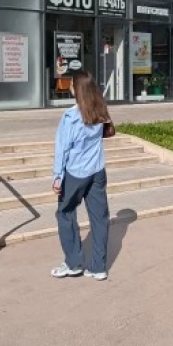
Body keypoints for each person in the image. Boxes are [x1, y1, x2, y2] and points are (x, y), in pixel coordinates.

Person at [51, 70, 114, 280]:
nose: (69, 86)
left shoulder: (70, 117)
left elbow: (62, 149)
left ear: (76, 89)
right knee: (100, 218)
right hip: (97, 171)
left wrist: (57, 176)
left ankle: (73, 263)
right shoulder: (100, 110)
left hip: (75, 173)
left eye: (71, 84)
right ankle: (98, 268)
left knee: (65, 213)